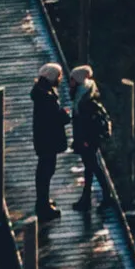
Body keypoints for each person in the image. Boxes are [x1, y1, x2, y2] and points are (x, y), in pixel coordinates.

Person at [68, 63, 112, 221]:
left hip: (88, 140)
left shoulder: (85, 100)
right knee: (90, 167)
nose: (69, 82)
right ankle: (87, 199)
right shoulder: (83, 94)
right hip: (86, 139)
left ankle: (104, 197)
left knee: (93, 167)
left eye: (72, 79)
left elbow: (85, 123)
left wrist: (84, 140)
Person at [30, 60, 69, 219]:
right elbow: (53, 118)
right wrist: (64, 116)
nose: (60, 79)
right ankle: (43, 205)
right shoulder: (47, 96)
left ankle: (43, 200)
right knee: (46, 171)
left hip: (43, 138)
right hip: (48, 139)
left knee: (44, 171)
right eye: (59, 76)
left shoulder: (41, 91)